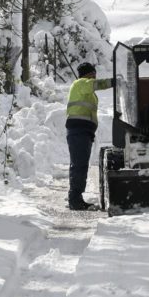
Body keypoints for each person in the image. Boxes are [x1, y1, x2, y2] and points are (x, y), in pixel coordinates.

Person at [65, 61, 114, 210]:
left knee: (79, 165)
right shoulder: (81, 83)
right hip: (79, 131)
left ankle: (75, 197)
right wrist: (113, 82)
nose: (95, 76)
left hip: (83, 132)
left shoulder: (84, 89)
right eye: (93, 73)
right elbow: (95, 84)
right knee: (79, 165)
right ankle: (75, 199)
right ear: (88, 74)